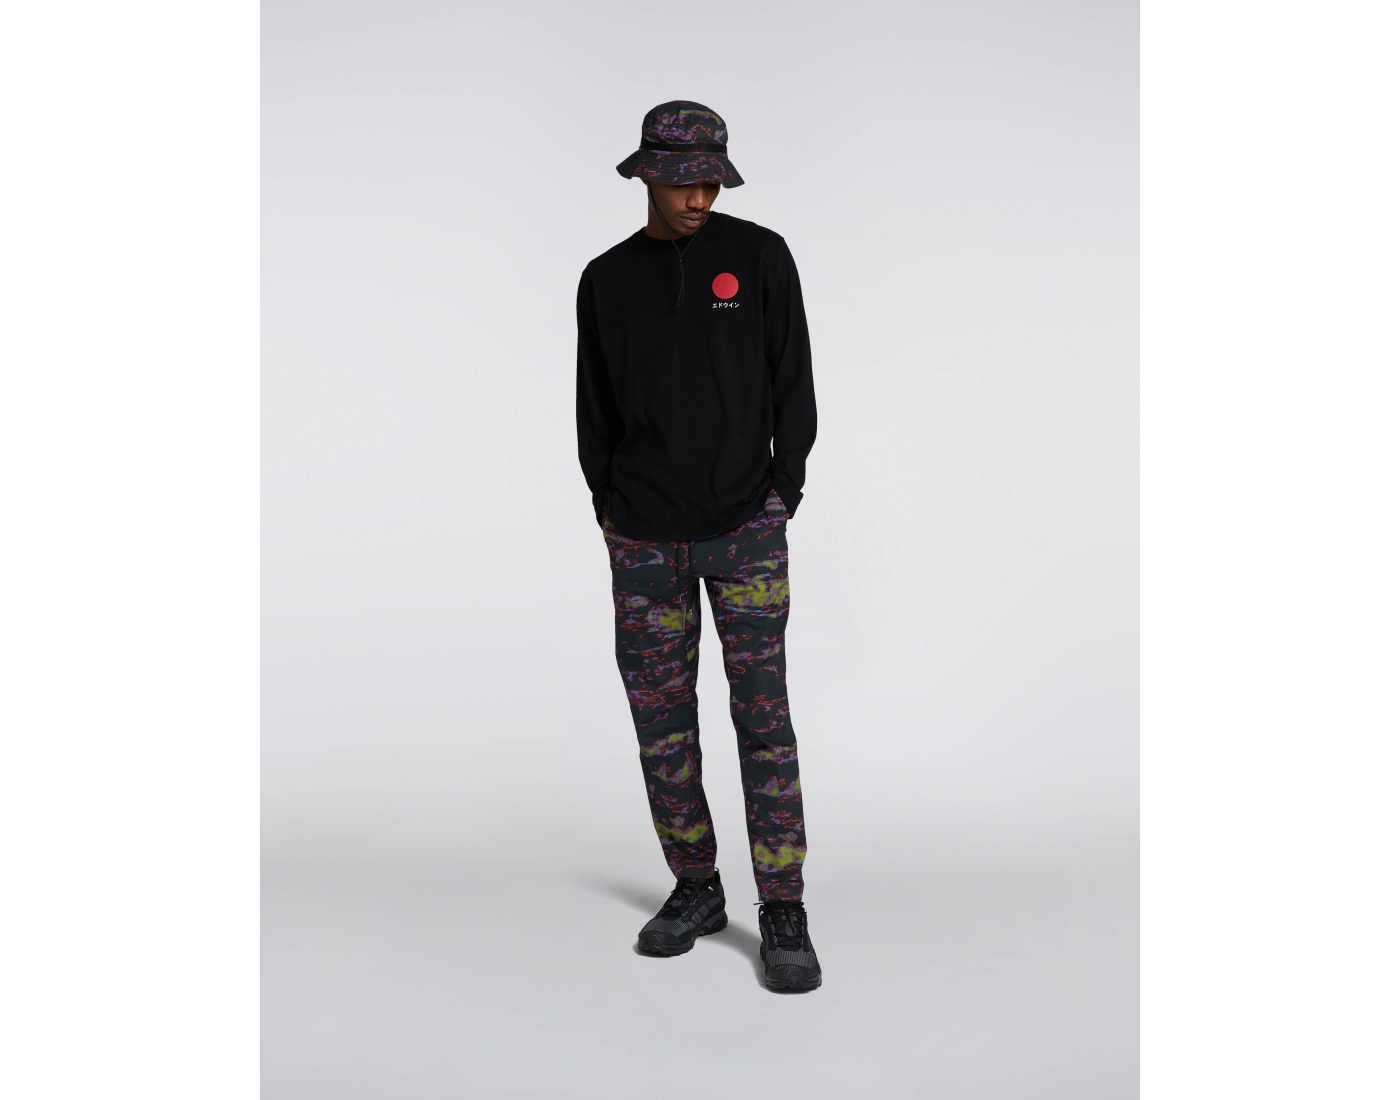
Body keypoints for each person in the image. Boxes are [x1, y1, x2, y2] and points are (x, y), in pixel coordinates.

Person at [575, 101, 821, 991]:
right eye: (684, 181)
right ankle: (697, 886)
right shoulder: (605, 280)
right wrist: (610, 507)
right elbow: (595, 408)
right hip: (643, 538)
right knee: (661, 724)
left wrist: (780, 493)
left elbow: (793, 383)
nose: (700, 197)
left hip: (745, 529)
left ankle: (782, 904)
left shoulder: (760, 258)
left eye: (712, 181)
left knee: (763, 719)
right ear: (646, 174)